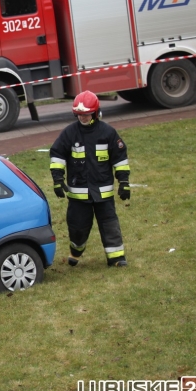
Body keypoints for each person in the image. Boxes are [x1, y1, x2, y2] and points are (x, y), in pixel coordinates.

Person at [49, 91, 131, 267]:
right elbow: (57, 155)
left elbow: (120, 159)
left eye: (86, 114)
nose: (82, 118)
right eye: (79, 115)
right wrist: (57, 179)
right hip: (79, 197)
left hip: (103, 194)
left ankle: (116, 258)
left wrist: (124, 182)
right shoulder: (70, 133)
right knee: (77, 228)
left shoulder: (108, 133)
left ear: (95, 113)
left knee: (110, 225)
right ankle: (76, 251)